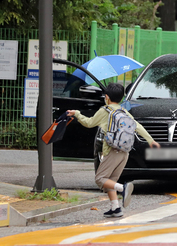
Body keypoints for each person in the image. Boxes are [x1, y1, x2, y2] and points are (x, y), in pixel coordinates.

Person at [66, 83, 160, 218]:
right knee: (110, 181)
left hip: (112, 150)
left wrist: (77, 114)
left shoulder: (104, 111)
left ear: (107, 97)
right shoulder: (123, 111)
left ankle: (124, 188)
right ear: (121, 98)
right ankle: (115, 208)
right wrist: (150, 140)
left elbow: (89, 123)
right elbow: (137, 126)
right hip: (124, 152)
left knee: (100, 179)